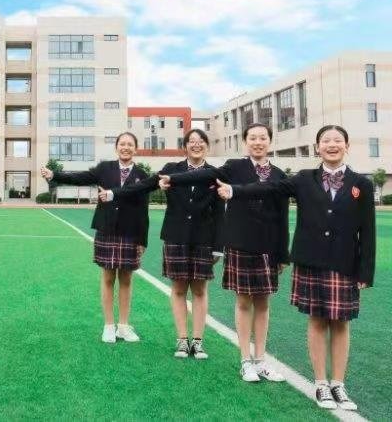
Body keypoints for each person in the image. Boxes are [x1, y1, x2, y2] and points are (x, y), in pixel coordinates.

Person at [215, 125, 374, 411]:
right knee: (316, 321)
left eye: (338, 140)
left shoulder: (361, 184)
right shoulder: (303, 178)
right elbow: (268, 188)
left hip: (345, 263)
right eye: (326, 140)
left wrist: (365, 270)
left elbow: (368, 230)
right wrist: (235, 191)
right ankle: (321, 383)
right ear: (317, 148)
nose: (332, 145)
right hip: (310, 259)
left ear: (347, 146)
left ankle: (339, 384)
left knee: (341, 324)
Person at [160, 123, 288, 382]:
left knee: (263, 304)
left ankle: (261, 361)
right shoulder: (234, 167)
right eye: (253, 138)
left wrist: (283, 253)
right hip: (240, 242)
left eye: (263, 138)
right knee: (243, 303)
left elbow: (283, 216)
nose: (258, 142)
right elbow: (205, 175)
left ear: (270, 141)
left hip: (268, 245)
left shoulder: (279, 175)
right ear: (245, 142)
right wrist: (172, 179)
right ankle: (245, 361)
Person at [104, 128, 220, 358]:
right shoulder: (171, 169)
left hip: (203, 239)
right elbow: (144, 185)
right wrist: (114, 193)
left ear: (207, 146)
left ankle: (198, 341)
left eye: (201, 141)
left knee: (199, 290)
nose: (196, 145)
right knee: (178, 289)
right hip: (175, 235)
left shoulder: (214, 174)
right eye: (191, 141)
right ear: (185, 146)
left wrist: (218, 247)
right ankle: (182, 340)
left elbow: (220, 212)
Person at [41, 132, 152, 344]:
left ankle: (123, 326)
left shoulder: (142, 175)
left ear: (136, 149)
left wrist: (142, 240)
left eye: (130, 144)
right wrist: (54, 175)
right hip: (107, 229)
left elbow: (143, 210)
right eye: (122, 144)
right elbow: (79, 177)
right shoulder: (104, 169)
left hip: (130, 232)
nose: (126, 147)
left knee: (126, 279)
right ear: (116, 147)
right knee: (108, 278)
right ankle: (109, 326)